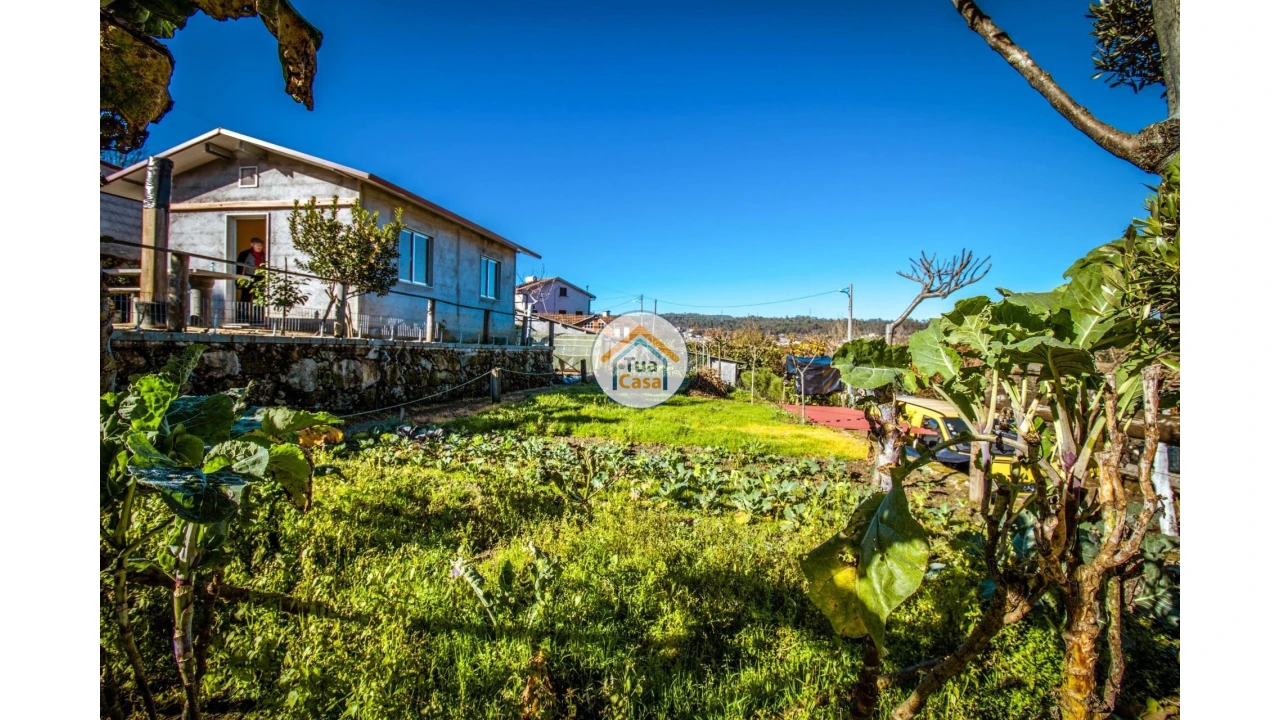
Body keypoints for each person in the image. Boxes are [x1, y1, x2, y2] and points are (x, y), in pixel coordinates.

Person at [236, 237, 266, 323]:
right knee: (245, 299)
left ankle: (258, 320)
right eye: (257, 245)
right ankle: (242, 319)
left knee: (259, 299)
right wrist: (238, 280)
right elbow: (239, 268)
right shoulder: (245, 254)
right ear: (252, 245)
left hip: (260, 278)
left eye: (261, 245)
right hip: (248, 278)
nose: (259, 247)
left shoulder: (265, 255)